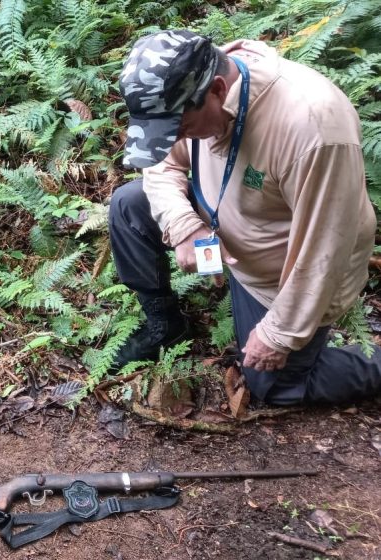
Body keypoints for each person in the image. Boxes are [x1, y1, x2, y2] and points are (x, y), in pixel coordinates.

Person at [109, 29, 381, 405]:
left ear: (219, 90)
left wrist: (277, 334)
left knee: (274, 386)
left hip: (282, 269)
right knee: (129, 204)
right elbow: (160, 167)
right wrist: (185, 226)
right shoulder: (189, 91)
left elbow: (325, 250)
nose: (177, 137)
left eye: (182, 129)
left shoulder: (312, 127)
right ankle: (164, 325)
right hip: (231, 225)